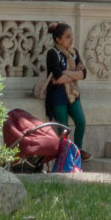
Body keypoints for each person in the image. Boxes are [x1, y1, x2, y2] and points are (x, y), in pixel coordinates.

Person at [44, 22, 86, 150]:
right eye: (67, 37)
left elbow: (83, 74)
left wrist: (66, 73)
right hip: (58, 95)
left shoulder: (74, 53)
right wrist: (75, 74)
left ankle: (78, 150)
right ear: (58, 39)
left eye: (71, 36)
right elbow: (58, 77)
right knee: (63, 129)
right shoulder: (53, 53)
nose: (71, 39)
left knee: (81, 122)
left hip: (72, 94)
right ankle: (64, 153)